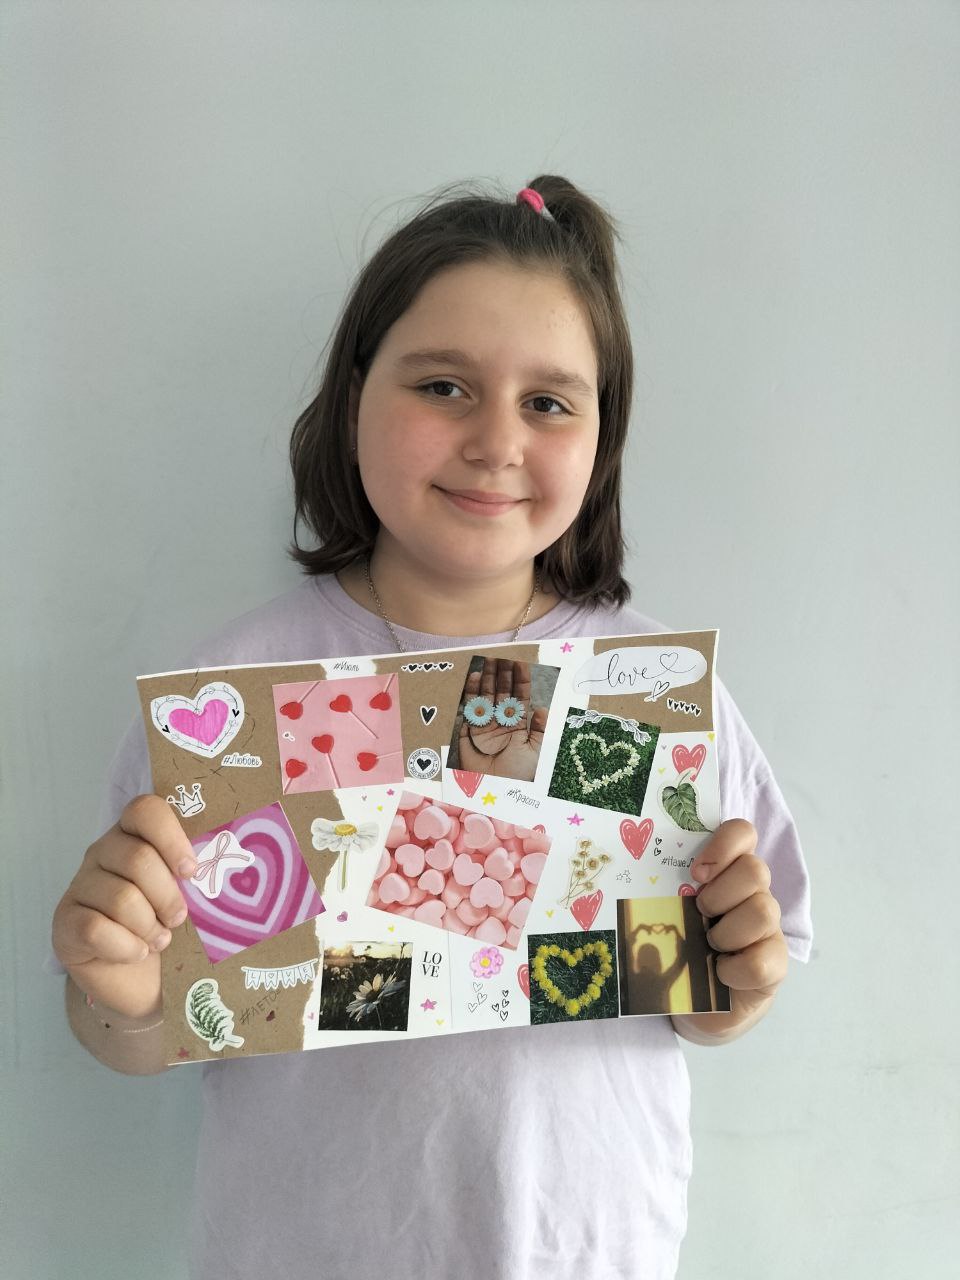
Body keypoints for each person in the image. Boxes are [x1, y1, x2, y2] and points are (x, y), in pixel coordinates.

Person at [52, 176, 813, 1279]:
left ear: (603, 437)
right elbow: (149, 1021)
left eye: (549, 402)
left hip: (582, 1250)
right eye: (443, 386)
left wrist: (736, 983)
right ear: (354, 394)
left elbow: (722, 992)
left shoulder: (644, 694)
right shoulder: (228, 697)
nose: (496, 441)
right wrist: (115, 988)